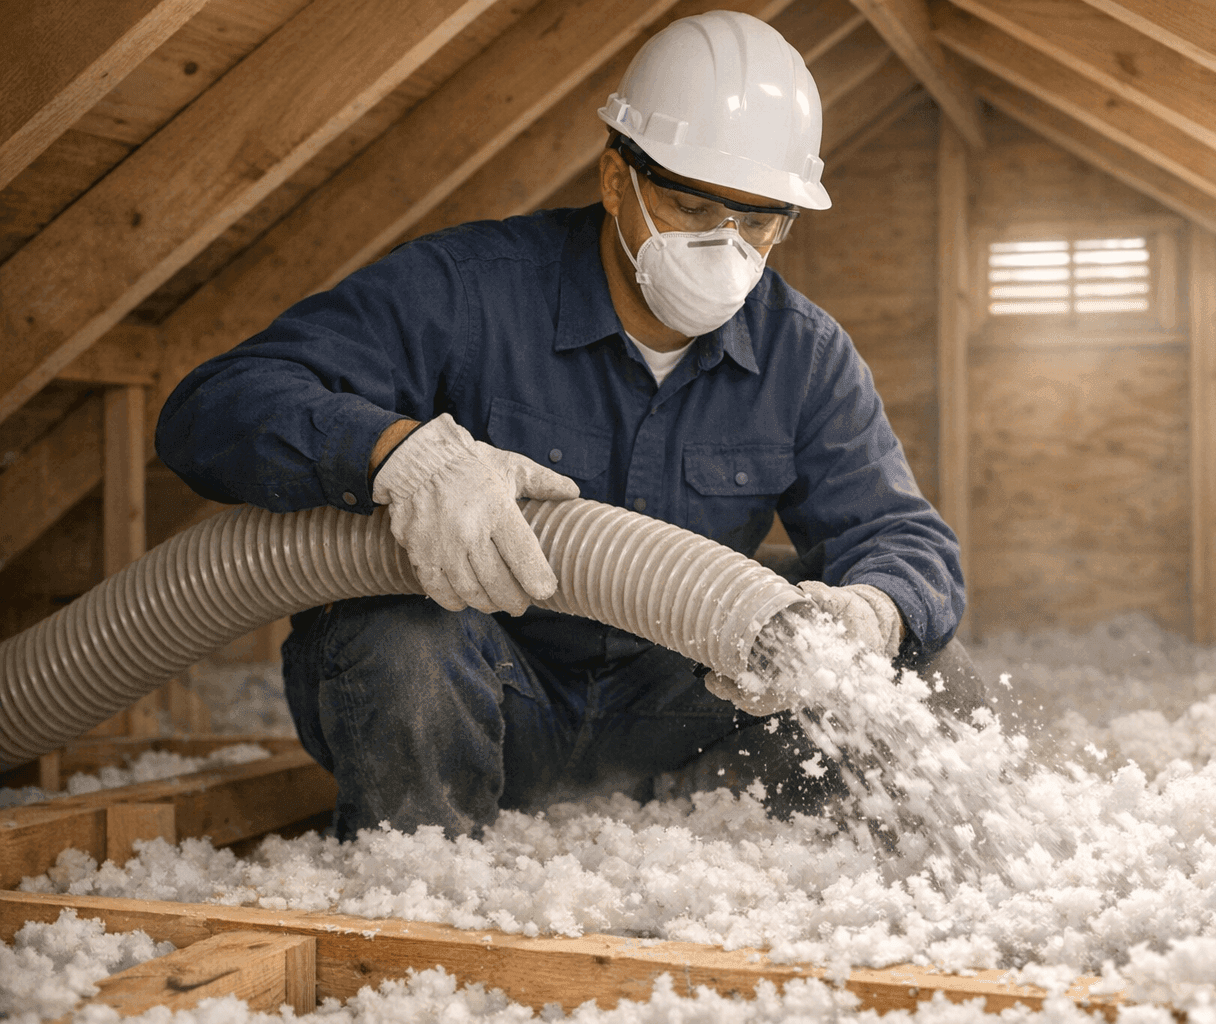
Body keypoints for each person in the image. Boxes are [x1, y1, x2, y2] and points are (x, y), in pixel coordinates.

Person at [155, 10, 976, 840]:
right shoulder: (468, 291)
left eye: (759, 221)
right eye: (691, 206)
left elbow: (902, 535)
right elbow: (213, 406)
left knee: (911, 654)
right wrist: (394, 454)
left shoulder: (803, 354)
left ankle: (842, 874)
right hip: (488, 689)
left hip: (677, 708)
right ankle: (420, 884)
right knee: (394, 630)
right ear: (617, 180)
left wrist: (869, 615)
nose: (724, 246)